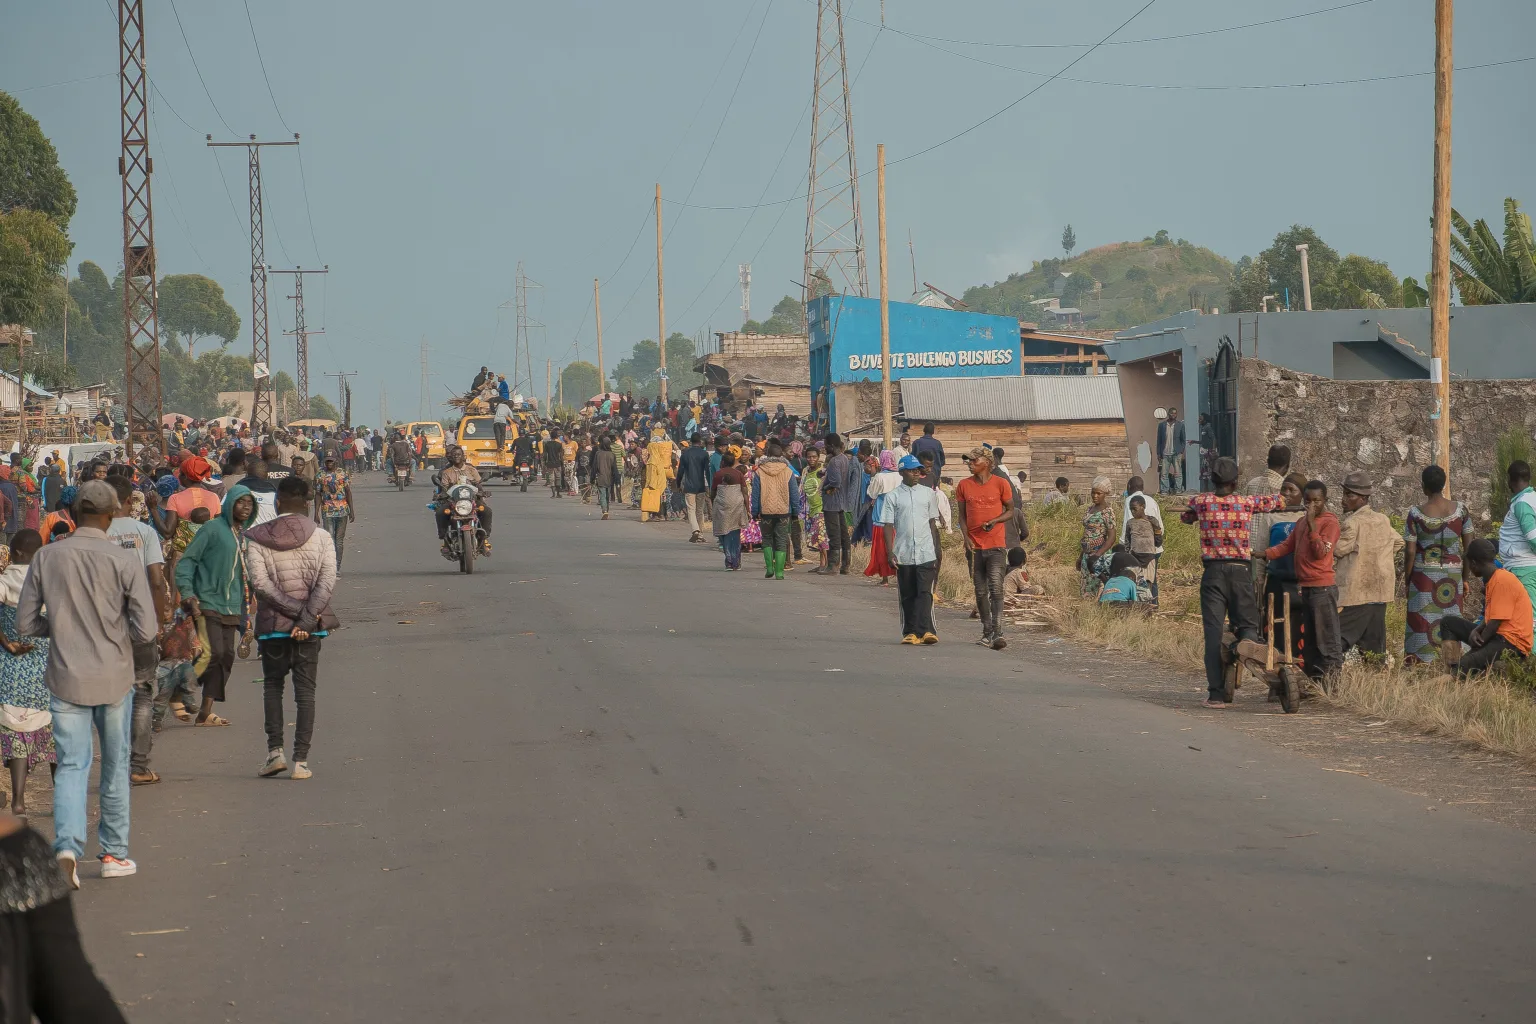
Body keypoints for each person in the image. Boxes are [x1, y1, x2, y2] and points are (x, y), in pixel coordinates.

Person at [17, 481, 156, 885]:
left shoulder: (47, 557)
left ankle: (66, 848)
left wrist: (57, 629)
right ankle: (113, 855)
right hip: (113, 676)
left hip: (64, 676)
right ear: (112, 514)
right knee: (114, 765)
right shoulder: (124, 559)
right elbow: (146, 629)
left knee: (73, 765)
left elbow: (26, 623)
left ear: (72, 514)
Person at [246, 476, 338, 780]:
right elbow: (326, 583)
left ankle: (275, 753)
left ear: (277, 502)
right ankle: (301, 761)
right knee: (306, 693)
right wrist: (307, 620)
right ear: (307, 502)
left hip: (273, 626)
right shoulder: (322, 537)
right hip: (310, 628)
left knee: (273, 687)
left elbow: (260, 585)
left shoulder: (256, 537)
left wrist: (296, 615)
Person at [1182, 457, 1284, 709]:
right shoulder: (1245, 502)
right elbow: (1277, 501)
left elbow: (1187, 515)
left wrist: (1190, 516)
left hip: (1213, 573)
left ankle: (1216, 695)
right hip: (1241, 571)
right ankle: (1247, 642)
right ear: (1235, 481)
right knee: (1247, 621)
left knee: (1214, 634)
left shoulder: (1202, 502)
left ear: (1212, 480)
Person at [106, 478, 172, 788]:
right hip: (140, 623)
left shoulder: (92, 535)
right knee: (143, 695)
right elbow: (157, 581)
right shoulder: (145, 532)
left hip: (103, 627)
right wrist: (158, 623)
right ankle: (139, 766)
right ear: (130, 502)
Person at [174, 484, 257, 728]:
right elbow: (187, 562)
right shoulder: (212, 529)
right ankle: (179, 690)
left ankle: (205, 711)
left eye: (249, 503)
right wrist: (188, 593)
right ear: (230, 502)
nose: (245, 507)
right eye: (241, 502)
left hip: (233, 604)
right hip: (207, 600)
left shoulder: (243, 535)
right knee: (213, 653)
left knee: (226, 657)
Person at [1263, 480, 1343, 688]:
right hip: (1305, 588)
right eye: (1308, 501)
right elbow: (1286, 546)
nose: (1312, 505)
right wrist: (1263, 554)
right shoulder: (1300, 523)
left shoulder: (1329, 523)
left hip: (1322, 588)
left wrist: (1312, 527)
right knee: (1310, 642)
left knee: (1327, 641)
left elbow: (1320, 552)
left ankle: (1333, 688)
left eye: (1317, 501)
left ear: (1325, 501)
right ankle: (1314, 685)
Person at [0, 531, 53, 817]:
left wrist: (7, 642)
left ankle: (19, 800)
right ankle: (63, 798)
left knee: (15, 729)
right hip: (48, 668)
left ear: (16, 553)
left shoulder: (5, 580)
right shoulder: (50, 580)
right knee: (56, 735)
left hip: (12, 669)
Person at [1403, 464, 1470, 667]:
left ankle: (1420, 665)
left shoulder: (1415, 514)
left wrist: (1408, 580)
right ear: (1443, 485)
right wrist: (1465, 578)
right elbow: (1469, 549)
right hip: (1453, 576)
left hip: (1423, 577)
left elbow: (1410, 551)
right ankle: (1452, 665)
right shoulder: (1461, 511)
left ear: (1424, 487)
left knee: (1421, 622)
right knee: (1452, 620)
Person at [1333, 472, 1403, 661]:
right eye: (1345, 494)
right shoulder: (1382, 520)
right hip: (1379, 592)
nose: (1344, 499)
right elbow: (1398, 542)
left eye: (1350, 495)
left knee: (1336, 641)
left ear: (1363, 499)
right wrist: (1380, 558)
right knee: (1373, 648)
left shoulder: (1352, 523)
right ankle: (1375, 683)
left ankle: (1325, 682)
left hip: (1356, 593)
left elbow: (1338, 550)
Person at [1440, 539, 1532, 677]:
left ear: (1474, 564)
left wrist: (1475, 648)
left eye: (1469, 565)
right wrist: (1476, 630)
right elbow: (1492, 616)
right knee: (1448, 623)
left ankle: (1453, 674)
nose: (1470, 569)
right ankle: (1450, 669)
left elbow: (1495, 623)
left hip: (1511, 643)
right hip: (1497, 636)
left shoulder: (1502, 580)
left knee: (1463, 666)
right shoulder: (1493, 580)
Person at [879, 455, 945, 645]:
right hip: (903, 552)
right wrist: (890, 551)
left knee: (925, 592)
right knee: (908, 593)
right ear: (901, 472)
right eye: (911, 470)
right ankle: (910, 632)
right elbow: (888, 525)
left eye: (918, 470)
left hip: (925, 551)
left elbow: (932, 522)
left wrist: (935, 549)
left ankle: (926, 631)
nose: (916, 473)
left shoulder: (927, 494)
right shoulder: (893, 496)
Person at [955, 447, 1014, 651]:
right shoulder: (963, 485)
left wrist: (995, 520)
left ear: (987, 462)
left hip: (996, 544)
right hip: (974, 547)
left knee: (996, 588)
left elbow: (1011, 510)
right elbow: (961, 517)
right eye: (968, 461)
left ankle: (998, 632)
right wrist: (965, 538)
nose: (970, 463)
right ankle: (987, 631)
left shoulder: (1001, 483)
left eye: (973, 460)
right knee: (980, 591)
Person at [751, 439, 801, 581]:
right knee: (781, 539)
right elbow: (794, 493)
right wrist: (796, 512)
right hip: (784, 511)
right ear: (781, 456)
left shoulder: (760, 471)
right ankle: (779, 572)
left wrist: (755, 512)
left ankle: (769, 568)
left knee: (767, 539)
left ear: (767, 455)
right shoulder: (788, 472)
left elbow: (755, 494)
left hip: (766, 511)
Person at [436, 447, 492, 555]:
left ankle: (483, 540)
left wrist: (483, 492)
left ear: (463, 456)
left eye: (459, 454)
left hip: (472, 501)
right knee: (440, 512)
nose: (456, 456)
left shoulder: (471, 470)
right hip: (454, 502)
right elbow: (444, 488)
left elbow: (479, 485)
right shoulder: (447, 472)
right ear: (451, 457)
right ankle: (445, 541)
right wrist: (441, 495)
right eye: (454, 455)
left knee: (487, 511)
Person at [1496, 460, 1536, 610]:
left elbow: (1533, 538)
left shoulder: (1523, 503)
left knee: (1530, 618)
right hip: (1525, 567)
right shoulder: (1531, 499)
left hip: (1524, 568)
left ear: (1510, 480)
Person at [820, 434, 859, 575]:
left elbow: (835, 482)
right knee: (843, 534)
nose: (825, 447)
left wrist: (824, 488)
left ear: (831, 445)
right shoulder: (844, 459)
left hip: (832, 503)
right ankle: (845, 565)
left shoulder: (834, 461)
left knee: (834, 534)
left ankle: (832, 565)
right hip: (842, 502)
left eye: (825, 444)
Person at [863, 451, 902, 586]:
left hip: (882, 514)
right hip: (897, 514)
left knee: (882, 547)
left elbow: (872, 493)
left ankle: (885, 578)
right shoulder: (900, 475)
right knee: (897, 546)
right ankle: (900, 576)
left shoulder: (880, 477)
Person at [1121, 476, 1163, 601]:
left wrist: (1125, 550)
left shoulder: (1129, 500)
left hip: (1140, 553)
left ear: (1129, 487)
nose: (1133, 511)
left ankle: (1143, 607)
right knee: (1152, 581)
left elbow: (1126, 533)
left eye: (1135, 509)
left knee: (1138, 580)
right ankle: (1152, 606)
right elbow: (1160, 528)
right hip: (1153, 551)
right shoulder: (1152, 501)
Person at [711, 450, 750, 571]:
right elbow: (745, 493)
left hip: (722, 508)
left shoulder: (718, 474)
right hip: (737, 507)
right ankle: (736, 562)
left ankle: (728, 561)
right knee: (735, 534)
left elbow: (713, 493)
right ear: (734, 462)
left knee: (725, 534)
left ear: (722, 462)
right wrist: (747, 509)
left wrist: (714, 505)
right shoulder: (738, 474)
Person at [1077, 477, 1117, 595]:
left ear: (1105, 494)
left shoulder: (1107, 512)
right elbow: (1086, 535)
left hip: (1099, 556)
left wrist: (1097, 555)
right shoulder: (1090, 509)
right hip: (1087, 555)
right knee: (1086, 588)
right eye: (1093, 493)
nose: (1095, 496)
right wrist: (1081, 556)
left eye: (1098, 493)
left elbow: (1111, 537)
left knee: (1098, 587)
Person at [317, 455, 355, 572]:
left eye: (331, 462)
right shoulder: (320, 475)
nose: (329, 464)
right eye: (327, 461)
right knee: (330, 539)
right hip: (327, 510)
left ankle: (337, 566)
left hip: (342, 510)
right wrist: (315, 513)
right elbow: (318, 494)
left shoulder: (342, 474)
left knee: (339, 540)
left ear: (335, 462)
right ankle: (331, 565)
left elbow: (348, 491)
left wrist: (351, 511)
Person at [677, 434, 712, 543]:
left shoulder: (685, 454)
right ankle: (700, 534)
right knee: (699, 510)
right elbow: (707, 471)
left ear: (691, 441)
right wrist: (710, 486)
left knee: (691, 509)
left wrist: (678, 484)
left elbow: (680, 472)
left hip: (689, 486)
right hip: (701, 486)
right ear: (700, 441)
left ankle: (695, 531)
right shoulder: (704, 454)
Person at [802, 446, 830, 574]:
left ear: (818, 457)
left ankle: (827, 565)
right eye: (809, 457)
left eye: (814, 456)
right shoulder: (805, 472)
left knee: (821, 538)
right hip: (811, 509)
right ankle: (822, 564)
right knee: (818, 539)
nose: (811, 459)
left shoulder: (822, 472)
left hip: (821, 508)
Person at [640, 427, 675, 523]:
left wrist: (648, 486)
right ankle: (663, 515)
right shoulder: (661, 460)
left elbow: (651, 477)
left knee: (655, 499)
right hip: (661, 484)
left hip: (654, 485)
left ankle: (656, 515)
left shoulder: (651, 462)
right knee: (663, 497)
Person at [1157, 407, 1185, 493]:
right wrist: (1158, 453)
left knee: (1178, 473)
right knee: (1164, 474)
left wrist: (1181, 450)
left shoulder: (1180, 425)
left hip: (1176, 453)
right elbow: (1159, 440)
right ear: (1168, 414)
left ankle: (1178, 489)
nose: (1174, 415)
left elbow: (1183, 439)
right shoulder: (1162, 425)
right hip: (1165, 453)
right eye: (1172, 413)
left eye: (1175, 413)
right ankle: (1165, 490)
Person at [590, 434, 618, 520]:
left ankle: (604, 510)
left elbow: (594, 467)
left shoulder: (598, 454)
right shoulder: (612, 455)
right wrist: (617, 481)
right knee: (607, 495)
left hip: (601, 477)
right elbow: (615, 469)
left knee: (602, 494)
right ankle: (607, 511)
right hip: (609, 478)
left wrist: (592, 478)